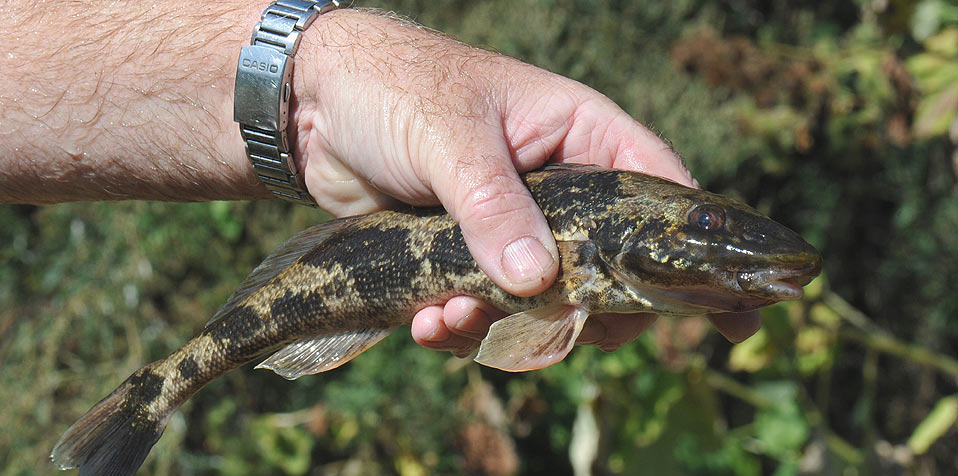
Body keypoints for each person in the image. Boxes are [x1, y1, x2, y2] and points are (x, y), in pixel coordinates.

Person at [0, 2, 760, 355]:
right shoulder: (588, 242)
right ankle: (167, 384)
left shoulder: (617, 249)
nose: (710, 234)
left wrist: (317, 101)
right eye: (703, 226)